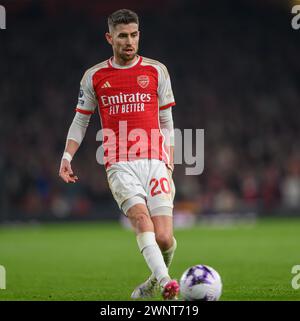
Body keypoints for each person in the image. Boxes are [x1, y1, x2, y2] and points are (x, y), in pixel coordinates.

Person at [59, 9, 179, 300]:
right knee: (141, 220)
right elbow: (81, 119)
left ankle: (153, 282)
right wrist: (66, 157)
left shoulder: (156, 70)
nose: (129, 41)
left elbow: (166, 120)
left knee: (164, 237)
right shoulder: (95, 76)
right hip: (119, 163)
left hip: (155, 161)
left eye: (134, 34)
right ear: (109, 38)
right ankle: (166, 283)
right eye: (122, 35)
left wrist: (170, 157)